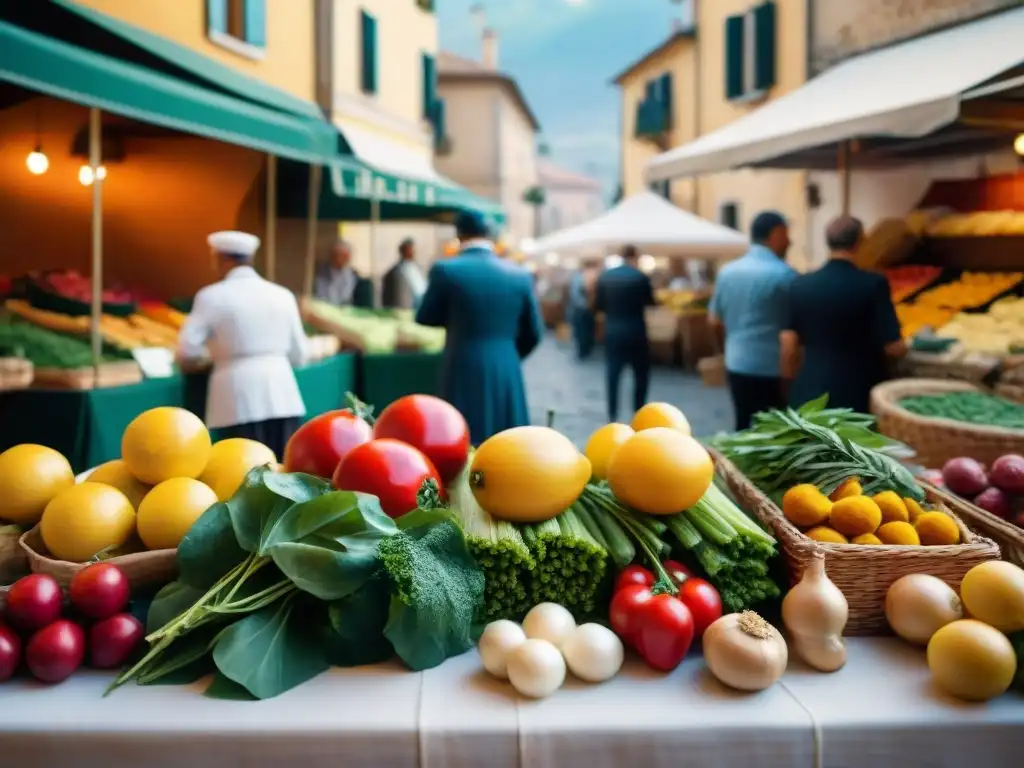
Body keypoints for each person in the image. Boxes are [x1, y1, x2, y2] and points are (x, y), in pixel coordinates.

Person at [177, 231, 308, 458]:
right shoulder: (282, 294)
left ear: (221, 259)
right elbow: (299, 354)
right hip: (283, 392)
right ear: (250, 258)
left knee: (242, 469)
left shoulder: (211, 296)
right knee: (286, 472)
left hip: (235, 395)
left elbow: (186, 352)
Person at [416, 210, 543, 444]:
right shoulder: (520, 275)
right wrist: (509, 353)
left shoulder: (446, 270)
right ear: (491, 235)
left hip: (462, 359)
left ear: (459, 234)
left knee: (460, 437)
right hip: (506, 363)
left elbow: (424, 317)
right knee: (510, 443)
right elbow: (534, 332)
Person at [781, 215, 907, 413]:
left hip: (808, 389)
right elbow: (893, 347)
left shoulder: (800, 284)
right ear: (860, 241)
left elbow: (788, 343)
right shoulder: (873, 284)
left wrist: (788, 385)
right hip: (856, 392)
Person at [708, 211, 796, 430]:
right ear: (775, 234)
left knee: (741, 424)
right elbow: (791, 333)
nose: (790, 242)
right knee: (772, 433)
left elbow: (714, 322)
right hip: (772, 368)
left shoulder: (727, 272)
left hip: (736, 362)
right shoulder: (787, 276)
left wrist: (724, 349)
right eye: (786, 235)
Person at [595, 245, 655, 422]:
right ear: (635, 257)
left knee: (613, 373)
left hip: (613, 329)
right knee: (641, 374)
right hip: (636, 329)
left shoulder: (606, 276)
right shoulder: (640, 277)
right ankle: (638, 412)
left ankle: (612, 414)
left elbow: (599, 305)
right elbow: (650, 302)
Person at [381, 238, 427, 310]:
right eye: (408, 250)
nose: (411, 252)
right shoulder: (395, 272)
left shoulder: (417, 269)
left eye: (412, 249)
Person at [314, 239, 360, 306]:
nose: (346, 260)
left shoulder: (351, 274)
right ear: (333, 256)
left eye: (347, 257)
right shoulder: (321, 272)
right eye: (343, 256)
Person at [567, 265, 595, 359]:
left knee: (581, 331)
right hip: (582, 308)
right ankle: (583, 352)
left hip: (580, 309)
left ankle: (583, 351)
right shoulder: (581, 278)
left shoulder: (577, 278)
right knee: (583, 331)